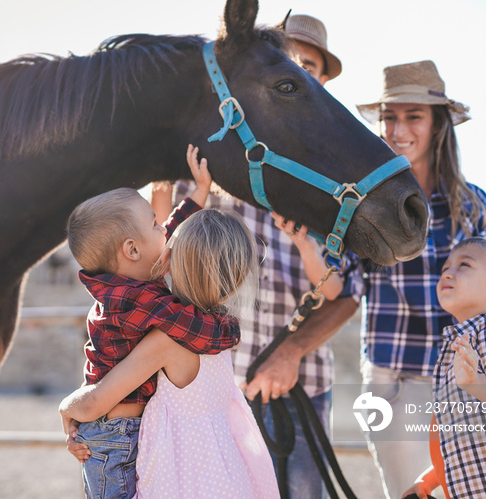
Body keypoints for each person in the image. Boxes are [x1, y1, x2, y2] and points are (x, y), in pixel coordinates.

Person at [152, 13, 358, 499]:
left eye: (309, 67)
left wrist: (304, 241)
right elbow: (161, 250)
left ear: (321, 82)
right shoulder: (210, 161)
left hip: (297, 381)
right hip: (215, 380)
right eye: (288, 65)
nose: (298, 74)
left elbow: (340, 291)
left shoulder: (330, 178)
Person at [60, 209, 280, 498]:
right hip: (222, 471)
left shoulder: (166, 342)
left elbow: (95, 403)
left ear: (168, 262)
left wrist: (66, 406)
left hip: (180, 478)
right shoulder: (219, 330)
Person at [354, 60, 486, 499]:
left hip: (460, 381)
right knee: (408, 493)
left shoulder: (472, 206)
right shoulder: (362, 201)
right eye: (390, 116)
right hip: (390, 378)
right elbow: (341, 281)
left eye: (413, 116)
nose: (399, 129)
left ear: (438, 126)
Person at [65, 145, 241, 499]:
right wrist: (230, 327)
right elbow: (199, 331)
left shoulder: (130, 280)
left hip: (119, 427)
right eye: (155, 224)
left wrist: (199, 193)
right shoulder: (137, 300)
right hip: (116, 434)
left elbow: (168, 236)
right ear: (131, 250)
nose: (166, 229)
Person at [402, 237, 486, 499]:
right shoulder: (461, 343)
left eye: (464, 265)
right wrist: (428, 480)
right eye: (446, 267)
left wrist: (477, 384)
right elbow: (465, 439)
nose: (447, 272)